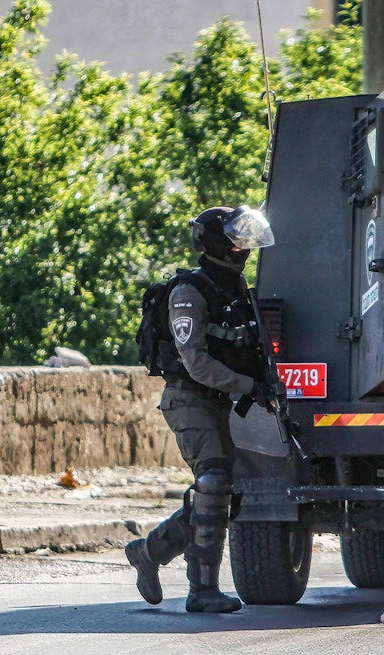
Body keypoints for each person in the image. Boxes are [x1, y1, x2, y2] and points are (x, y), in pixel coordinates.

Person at [125, 205, 275, 613]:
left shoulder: (237, 288)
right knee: (212, 481)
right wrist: (250, 386)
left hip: (219, 402)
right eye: (234, 238)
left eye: (245, 239)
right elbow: (196, 362)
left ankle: (149, 552)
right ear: (214, 242)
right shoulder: (189, 290)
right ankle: (202, 590)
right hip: (188, 399)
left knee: (224, 494)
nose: (242, 246)